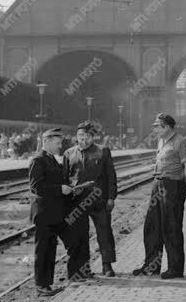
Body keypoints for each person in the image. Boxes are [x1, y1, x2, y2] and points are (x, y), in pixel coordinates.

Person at [132, 114, 186, 279]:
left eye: (157, 126)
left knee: (171, 228)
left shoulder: (180, 141)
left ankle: (175, 268)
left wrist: (183, 186)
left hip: (172, 187)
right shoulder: (161, 140)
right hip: (157, 184)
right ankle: (151, 266)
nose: (155, 129)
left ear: (167, 127)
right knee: (152, 227)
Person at [29, 128, 87, 297]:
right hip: (44, 214)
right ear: (46, 141)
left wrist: (70, 188)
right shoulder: (38, 160)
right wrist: (60, 189)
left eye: (61, 143)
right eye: (57, 143)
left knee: (73, 241)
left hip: (56, 213)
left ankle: (74, 275)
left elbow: (57, 182)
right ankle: (42, 286)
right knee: (44, 251)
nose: (60, 146)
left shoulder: (52, 160)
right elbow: (36, 187)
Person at [63, 121, 118, 277]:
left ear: (93, 137)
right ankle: (84, 267)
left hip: (99, 200)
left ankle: (107, 266)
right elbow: (65, 178)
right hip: (77, 201)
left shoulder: (103, 151)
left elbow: (111, 176)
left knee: (104, 232)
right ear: (76, 136)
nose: (84, 139)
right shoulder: (69, 154)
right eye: (81, 136)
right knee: (80, 235)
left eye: (87, 136)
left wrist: (111, 198)